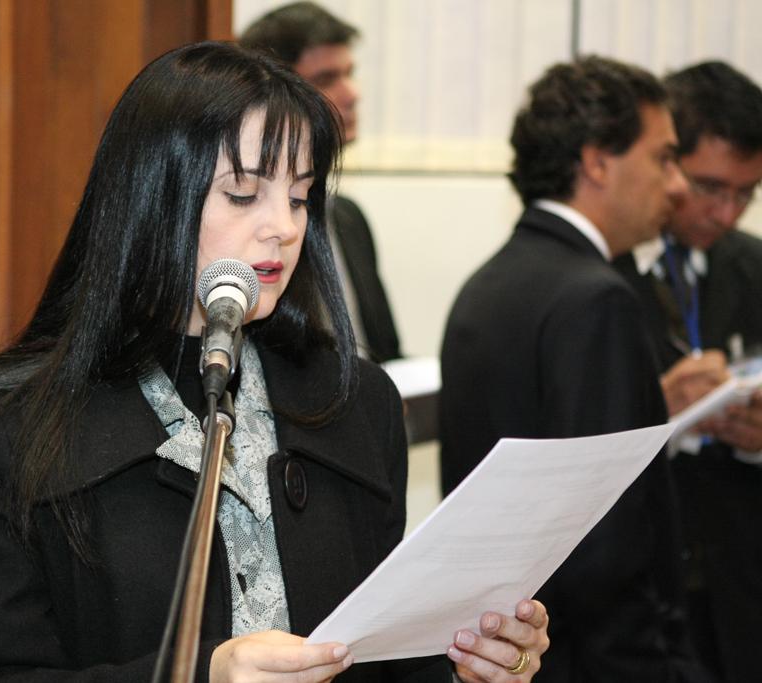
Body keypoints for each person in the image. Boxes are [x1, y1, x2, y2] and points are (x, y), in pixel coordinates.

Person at [0, 42, 548, 682]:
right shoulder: (8, 428)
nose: (284, 227)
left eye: (299, 197)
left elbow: (385, 661)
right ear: (152, 198)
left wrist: (470, 669)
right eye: (244, 194)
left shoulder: (355, 401)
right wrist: (202, 674)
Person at [438, 56, 708, 682]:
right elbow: (608, 541)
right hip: (591, 659)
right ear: (597, 162)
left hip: (506, 649)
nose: (677, 186)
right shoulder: (597, 298)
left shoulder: (488, 282)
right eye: (663, 158)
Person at [613, 60, 762, 682]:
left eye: (746, 194)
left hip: (738, 577)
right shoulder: (603, 273)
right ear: (669, 162)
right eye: (710, 188)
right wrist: (656, 412)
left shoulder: (752, 265)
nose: (726, 214)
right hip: (639, 583)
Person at [240, 2, 401, 363]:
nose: (352, 94)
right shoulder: (254, 229)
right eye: (327, 79)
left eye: (350, 74)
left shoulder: (347, 216)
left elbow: (385, 353)